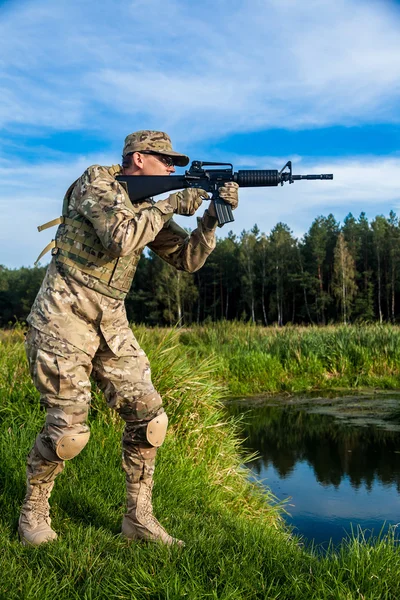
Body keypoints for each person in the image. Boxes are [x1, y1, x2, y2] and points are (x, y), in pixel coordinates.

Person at [18, 130, 239, 547]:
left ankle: (138, 519)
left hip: (111, 323)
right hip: (63, 317)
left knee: (150, 419)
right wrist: (171, 201)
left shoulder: (145, 207)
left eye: (176, 164)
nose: (173, 168)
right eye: (166, 160)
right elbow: (120, 238)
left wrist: (211, 218)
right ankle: (33, 511)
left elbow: (187, 259)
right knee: (68, 432)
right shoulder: (96, 183)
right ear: (138, 159)